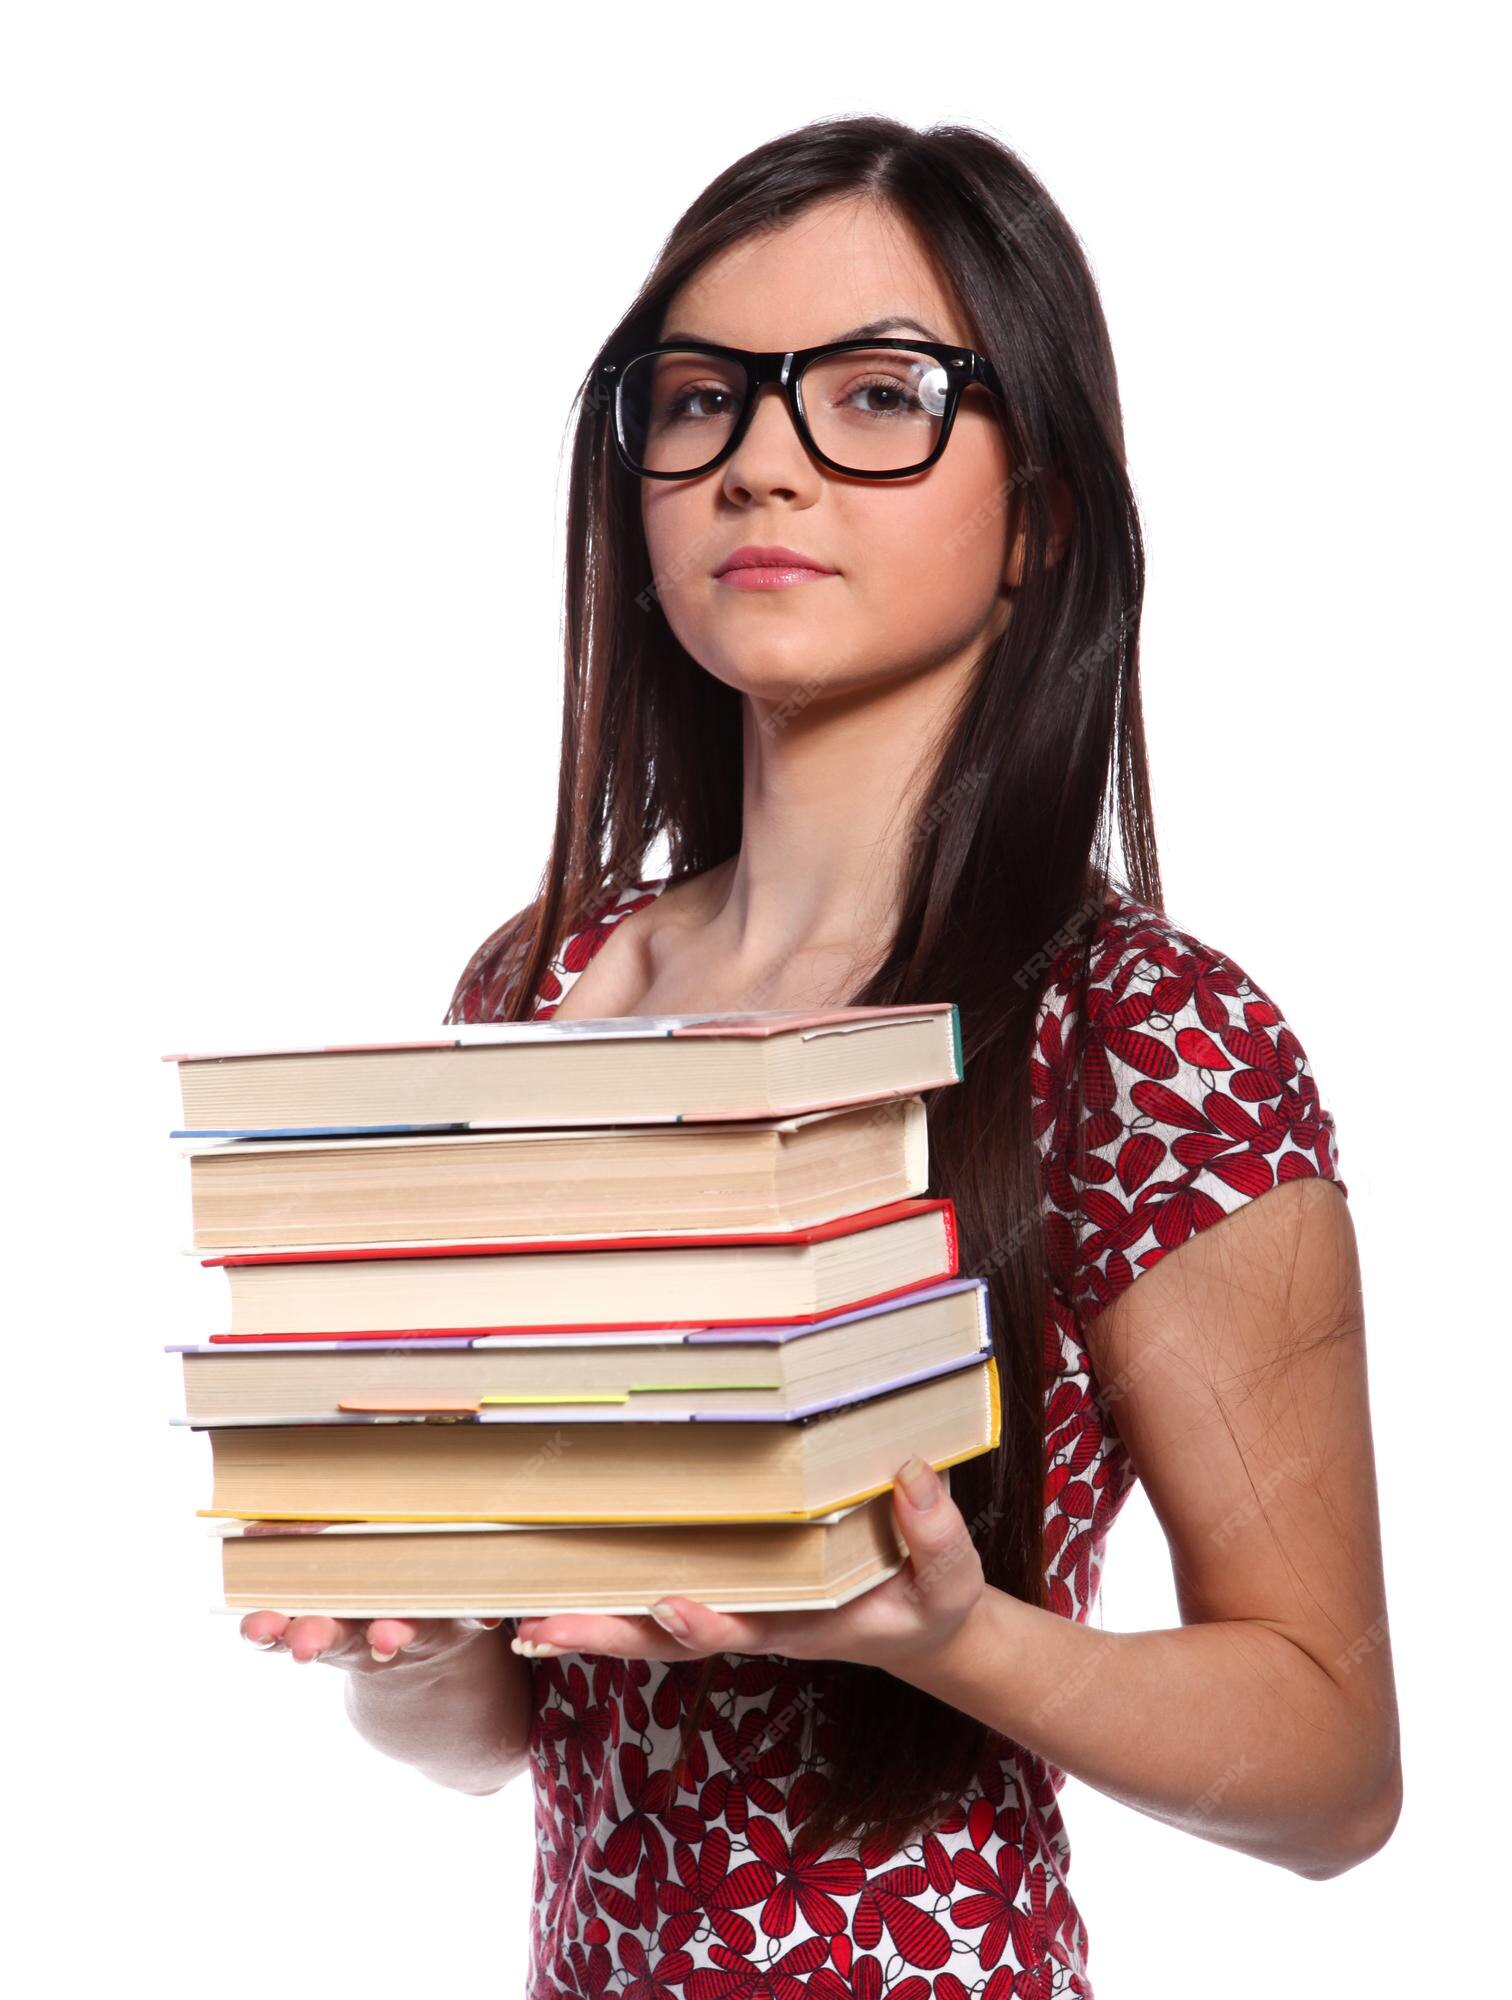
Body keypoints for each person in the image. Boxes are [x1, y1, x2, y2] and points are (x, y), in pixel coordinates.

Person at [238, 114, 1400, 1996]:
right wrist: (412, 1616)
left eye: (879, 396)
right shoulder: (547, 985)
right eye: (698, 400)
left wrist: (943, 1634)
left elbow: (1338, 1774)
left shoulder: (1146, 1038)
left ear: (1038, 515)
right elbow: (484, 1740)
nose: (760, 461)